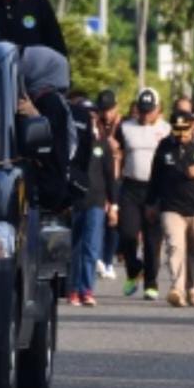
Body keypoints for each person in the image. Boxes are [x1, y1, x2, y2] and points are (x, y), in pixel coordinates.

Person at [148, 110, 194, 307]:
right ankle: (177, 288)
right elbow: (155, 177)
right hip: (172, 206)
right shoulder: (165, 146)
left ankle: (192, 288)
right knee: (175, 246)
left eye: (184, 129)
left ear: (192, 126)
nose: (180, 134)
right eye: (176, 129)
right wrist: (151, 203)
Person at [115, 88, 171, 300]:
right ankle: (133, 268)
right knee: (127, 234)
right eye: (142, 110)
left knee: (152, 239)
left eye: (150, 110)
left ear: (159, 109)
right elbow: (117, 154)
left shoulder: (166, 130)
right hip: (130, 187)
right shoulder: (126, 127)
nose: (146, 114)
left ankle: (151, 281)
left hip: (154, 189)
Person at [17, 47, 77, 213]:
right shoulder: (40, 98)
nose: (23, 66)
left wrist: (35, 116)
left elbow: (52, 143)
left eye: (29, 63)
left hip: (47, 188)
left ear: (40, 68)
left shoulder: (50, 101)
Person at [69, 99, 116, 306]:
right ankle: (72, 290)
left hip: (96, 201)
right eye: (86, 114)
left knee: (90, 248)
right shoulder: (72, 141)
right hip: (75, 200)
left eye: (93, 114)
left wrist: (114, 205)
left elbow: (110, 176)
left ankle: (86, 290)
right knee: (74, 247)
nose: (90, 118)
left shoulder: (102, 143)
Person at [92, 88, 122, 280]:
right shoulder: (95, 124)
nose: (106, 114)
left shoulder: (123, 125)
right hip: (100, 177)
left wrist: (117, 147)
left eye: (109, 110)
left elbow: (127, 150)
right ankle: (99, 258)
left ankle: (109, 260)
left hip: (119, 178)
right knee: (100, 218)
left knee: (114, 221)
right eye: (103, 110)